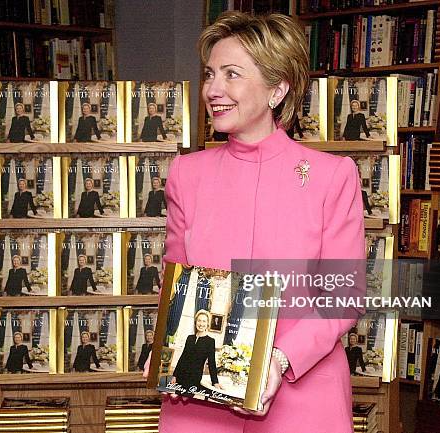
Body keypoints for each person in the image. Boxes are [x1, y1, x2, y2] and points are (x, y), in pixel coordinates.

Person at [148, 12, 365, 433]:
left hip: (302, 391)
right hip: (199, 394)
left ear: (277, 89)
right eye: (210, 74)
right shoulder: (186, 174)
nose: (213, 90)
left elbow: (343, 295)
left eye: (232, 75)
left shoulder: (330, 175)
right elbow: (175, 283)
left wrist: (279, 360)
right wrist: (166, 344)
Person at [170, 310, 223, 393]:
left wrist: (215, 382)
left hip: (194, 378)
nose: (201, 324)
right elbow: (183, 357)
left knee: (188, 402)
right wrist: (174, 375)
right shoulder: (190, 338)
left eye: (204, 321)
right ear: (195, 322)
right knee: (177, 401)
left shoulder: (210, 341)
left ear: (207, 324)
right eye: (199, 320)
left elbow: (212, 363)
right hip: (181, 375)